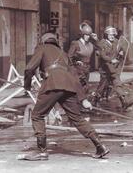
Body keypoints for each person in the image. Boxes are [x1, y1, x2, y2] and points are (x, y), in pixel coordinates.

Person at [21, 32, 109, 161]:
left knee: (37, 115)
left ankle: (42, 151)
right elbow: (74, 76)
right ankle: (100, 146)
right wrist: (83, 99)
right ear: (55, 42)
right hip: (69, 86)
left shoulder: (42, 48)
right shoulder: (64, 54)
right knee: (77, 118)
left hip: (52, 84)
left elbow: (29, 69)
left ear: (43, 41)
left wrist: (27, 86)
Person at [91, 26, 133, 111]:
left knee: (117, 84)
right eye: (110, 35)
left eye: (113, 35)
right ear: (106, 35)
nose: (112, 36)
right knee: (102, 86)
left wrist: (122, 51)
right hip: (105, 69)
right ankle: (94, 102)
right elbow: (102, 55)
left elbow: (122, 47)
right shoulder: (101, 43)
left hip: (114, 69)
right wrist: (111, 60)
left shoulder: (116, 42)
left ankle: (125, 102)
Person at [68, 23, 95, 93]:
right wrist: (75, 62)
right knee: (78, 87)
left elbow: (100, 49)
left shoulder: (91, 44)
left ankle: (83, 102)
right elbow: (69, 56)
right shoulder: (75, 43)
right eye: (86, 35)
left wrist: (96, 40)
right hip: (78, 69)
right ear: (82, 34)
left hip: (87, 68)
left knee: (86, 87)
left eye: (89, 35)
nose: (88, 37)